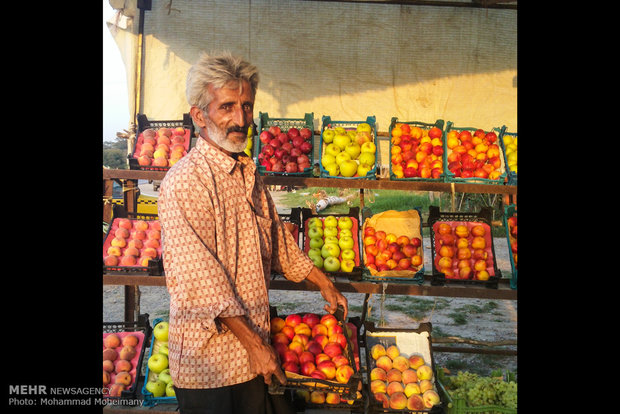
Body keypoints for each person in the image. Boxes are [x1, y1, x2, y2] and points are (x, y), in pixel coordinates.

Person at [157, 51, 349, 414]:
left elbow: (279, 243)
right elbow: (201, 281)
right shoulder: (185, 182)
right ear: (200, 115)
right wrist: (254, 346)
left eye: (246, 106)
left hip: (253, 352)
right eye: (227, 107)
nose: (240, 119)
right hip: (210, 364)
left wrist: (324, 283)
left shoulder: (248, 173)